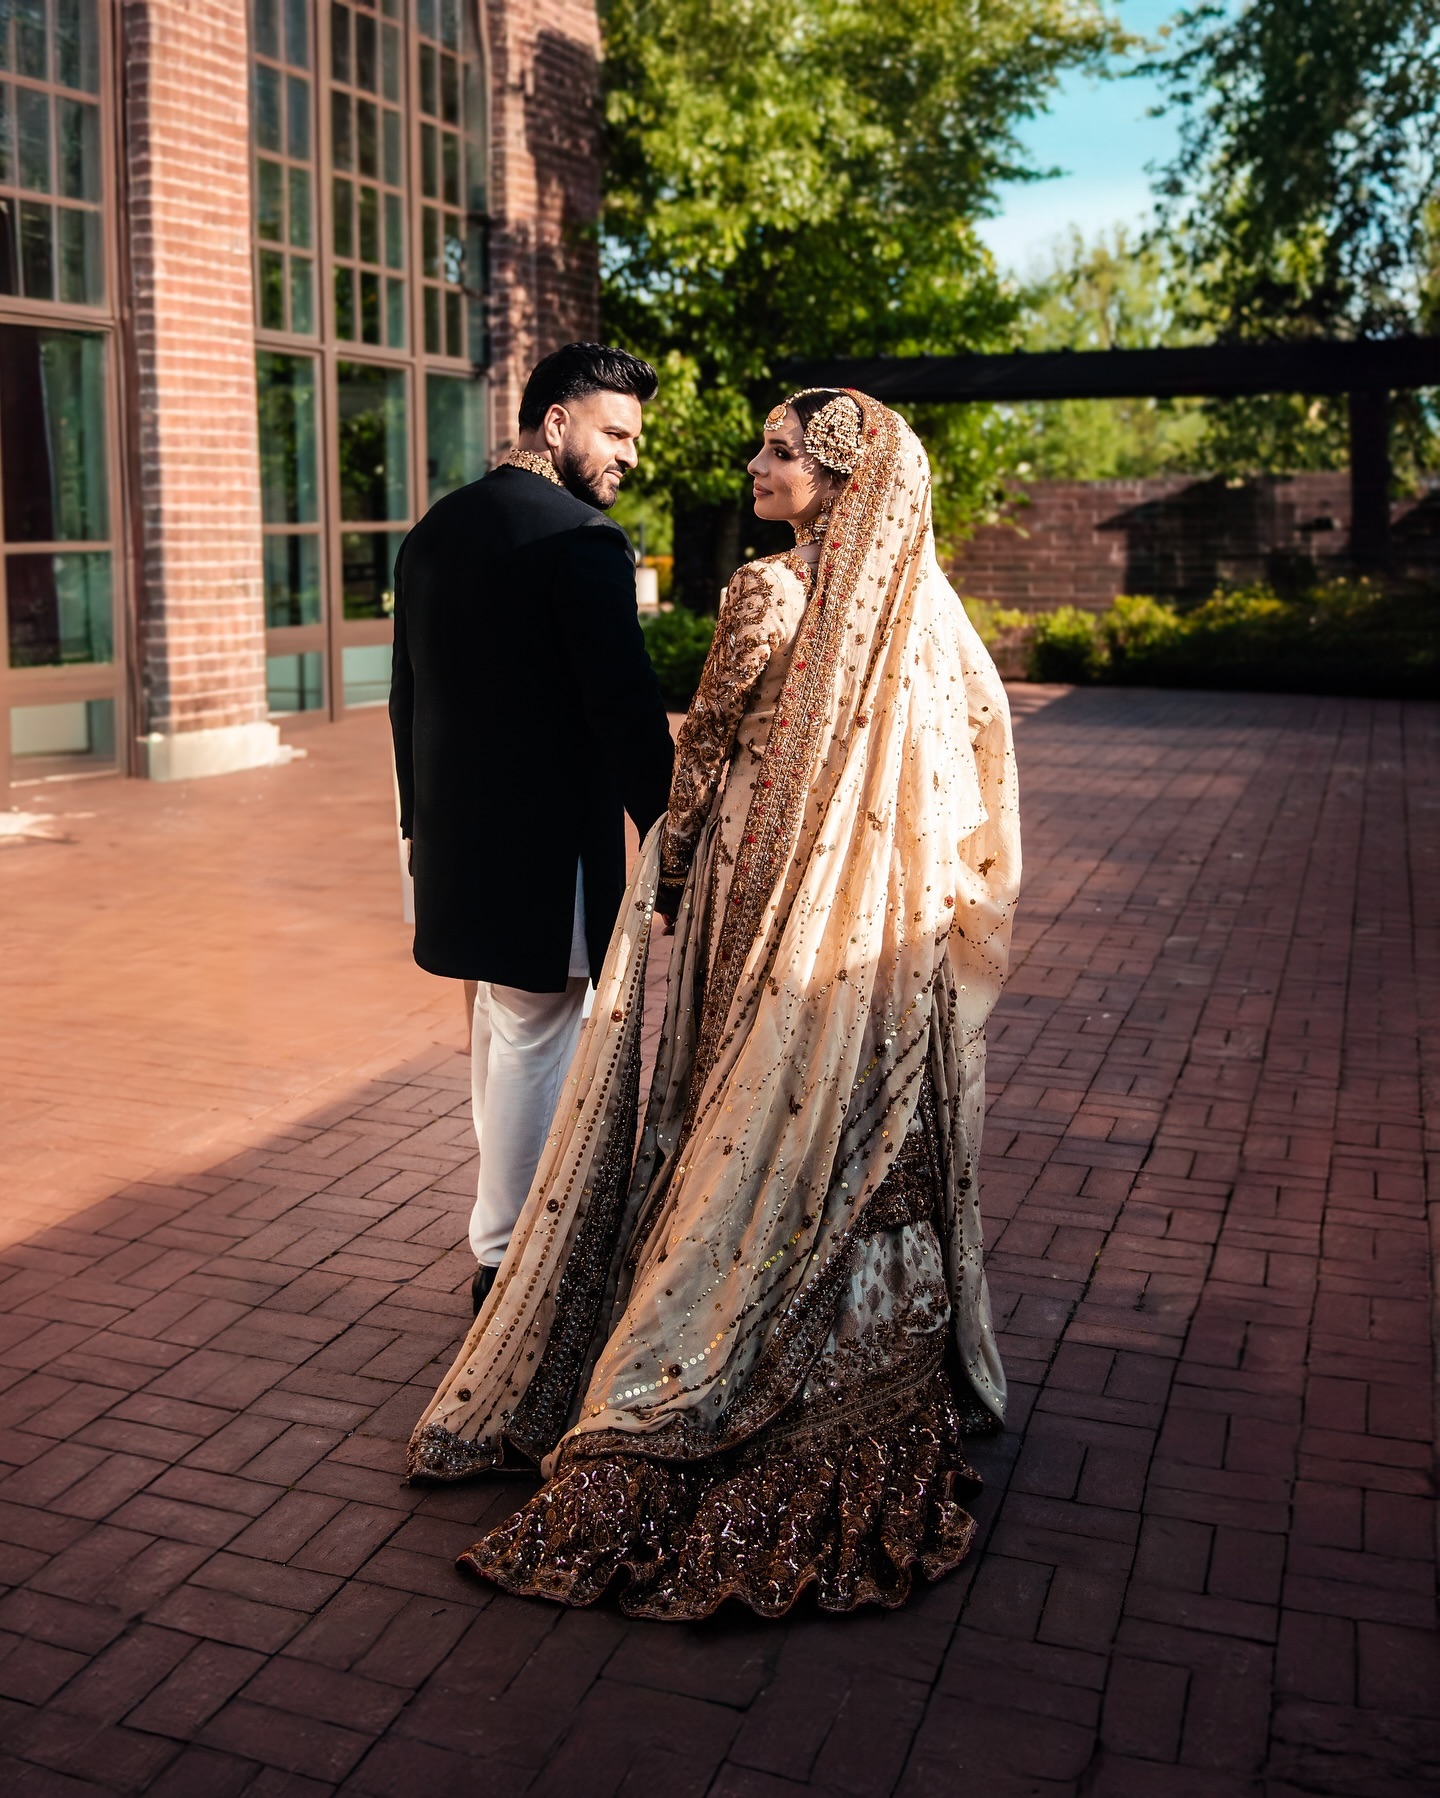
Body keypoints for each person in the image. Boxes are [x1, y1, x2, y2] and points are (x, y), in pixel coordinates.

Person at [407, 388, 1021, 1621]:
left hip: (754, 880)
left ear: (842, 482)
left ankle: (677, 1320)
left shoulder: (766, 592)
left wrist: (673, 874)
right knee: (824, 1108)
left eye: (781, 453)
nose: (754, 464)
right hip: (862, 914)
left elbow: (693, 769)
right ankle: (866, 1346)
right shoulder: (924, 608)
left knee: (727, 1089)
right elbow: (978, 754)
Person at [389, 343, 674, 1318]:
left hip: (455, 845)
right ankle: (507, 1260)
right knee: (537, 1034)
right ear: (556, 421)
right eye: (615, 431)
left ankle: (504, 1243)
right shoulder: (580, 542)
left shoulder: (431, 530)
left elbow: (404, 702)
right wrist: (676, 831)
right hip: (547, 852)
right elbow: (626, 712)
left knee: (503, 1030)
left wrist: (413, 835)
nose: (629, 455)